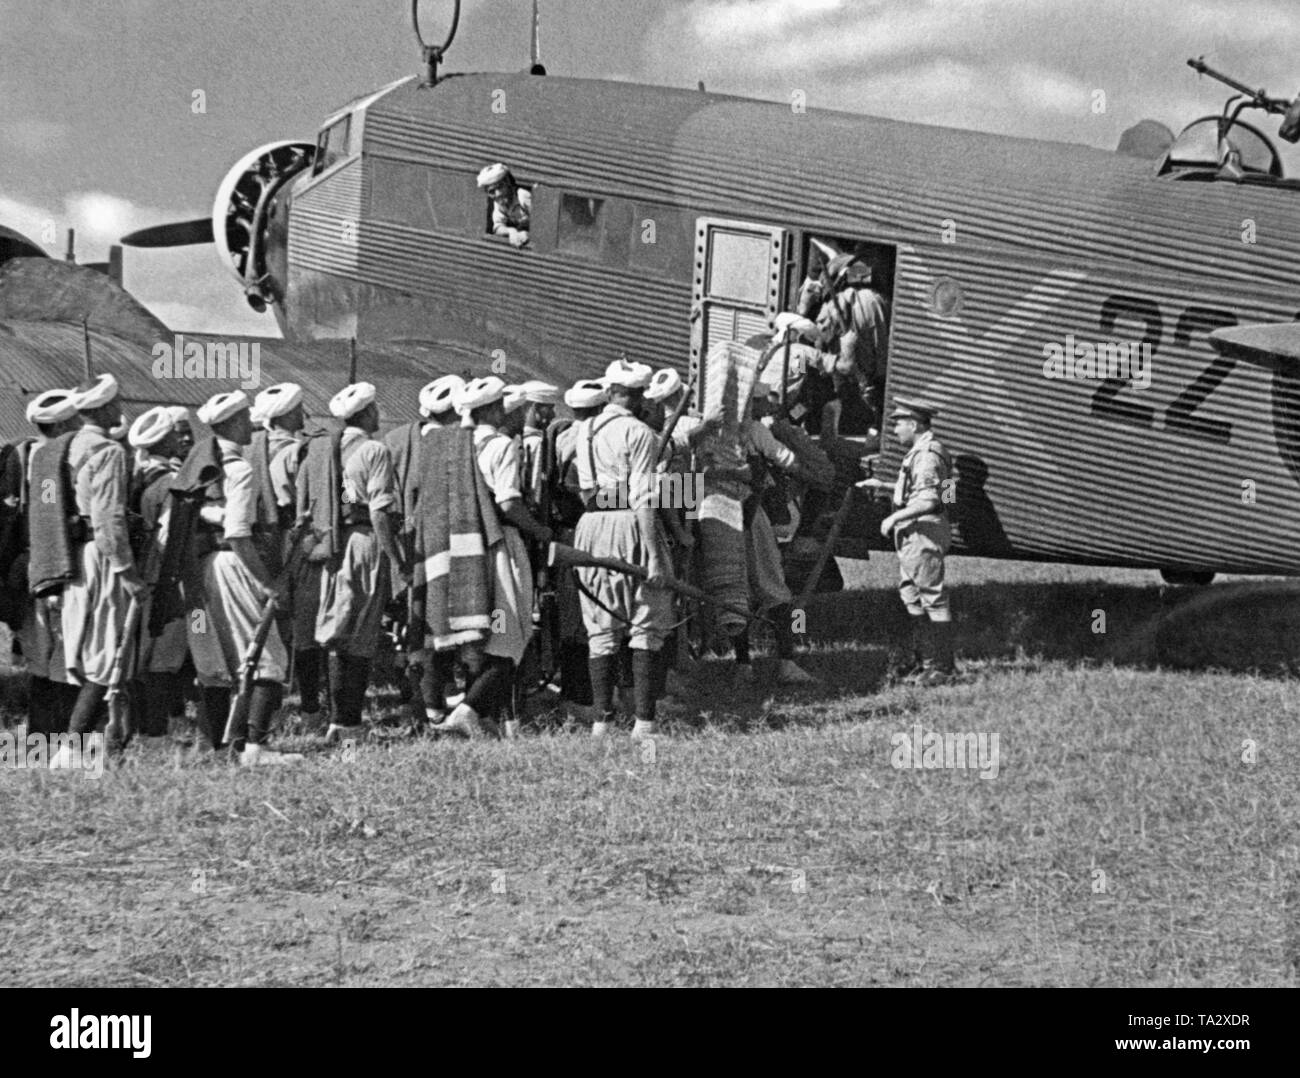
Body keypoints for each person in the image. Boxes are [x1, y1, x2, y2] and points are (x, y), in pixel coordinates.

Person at [428, 377, 551, 739]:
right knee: (508, 634)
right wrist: (541, 532)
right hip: (498, 548)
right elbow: (509, 502)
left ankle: (485, 715)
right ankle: (469, 710)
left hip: (461, 552)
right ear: (496, 409)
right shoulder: (501, 446)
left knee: (480, 632)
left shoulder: (453, 447)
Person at [184, 390, 302, 765]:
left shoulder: (203, 466)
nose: (250, 423)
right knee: (267, 656)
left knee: (217, 661)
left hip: (202, 566)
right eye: (244, 418)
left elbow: (205, 515)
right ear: (234, 423)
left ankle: (217, 744)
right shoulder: (240, 470)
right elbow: (238, 533)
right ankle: (255, 746)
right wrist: (268, 582)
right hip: (234, 563)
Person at [572, 360, 673, 740]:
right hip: (629, 522)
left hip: (590, 525)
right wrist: (655, 555)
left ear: (610, 390)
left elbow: (585, 491)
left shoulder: (583, 432)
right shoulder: (640, 432)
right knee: (646, 617)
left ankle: (603, 720)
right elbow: (644, 498)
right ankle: (644, 723)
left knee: (601, 622)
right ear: (641, 396)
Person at [50, 374, 146, 765]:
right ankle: (72, 747)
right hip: (103, 556)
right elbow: (108, 519)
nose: (120, 408)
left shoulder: (65, 446)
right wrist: (127, 571)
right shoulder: (108, 451)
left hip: (72, 553)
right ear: (105, 408)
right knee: (107, 653)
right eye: (115, 402)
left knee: (88, 648)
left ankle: (108, 740)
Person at [314, 382, 406, 743]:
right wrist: (397, 560)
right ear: (368, 413)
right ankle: (349, 722)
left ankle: (338, 719)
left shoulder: (327, 449)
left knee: (337, 631)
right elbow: (381, 513)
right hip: (365, 541)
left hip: (331, 543)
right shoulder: (374, 450)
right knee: (362, 635)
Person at [862, 398, 955, 684]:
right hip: (915, 531)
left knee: (932, 596)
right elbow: (923, 490)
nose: (895, 430)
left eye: (898, 424)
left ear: (914, 424)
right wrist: (885, 487)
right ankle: (922, 662)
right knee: (911, 595)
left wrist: (893, 518)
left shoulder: (927, 454)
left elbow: (930, 499)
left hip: (922, 531)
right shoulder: (922, 451)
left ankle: (941, 667)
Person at [248, 383, 322, 728]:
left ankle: (268, 711)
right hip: (298, 545)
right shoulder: (300, 451)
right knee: (304, 629)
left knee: (268, 628)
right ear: (290, 414)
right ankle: (310, 709)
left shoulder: (251, 450)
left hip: (261, 547)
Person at [9, 389, 81, 737]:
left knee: (41, 657)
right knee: (61, 653)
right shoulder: (48, 463)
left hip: (25, 566)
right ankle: (57, 737)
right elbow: (47, 513)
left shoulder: (19, 455)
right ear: (65, 422)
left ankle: (42, 737)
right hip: (48, 565)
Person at [402, 373, 465, 729]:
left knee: (424, 624)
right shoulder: (453, 443)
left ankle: (426, 704)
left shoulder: (409, 440)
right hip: (446, 543)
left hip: (418, 543)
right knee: (441, 626)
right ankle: (434, 705)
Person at [126, 406, 189, 740]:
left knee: (139, 658)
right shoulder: (170, 481)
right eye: (174, 436)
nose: (180, 440)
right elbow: (169, 535)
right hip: (165, 576)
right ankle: (155, 734)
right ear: (163, 441)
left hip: (139, 574)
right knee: (163, 661)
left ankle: (137, 730)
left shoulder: (137, 476)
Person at [814, 254, 889, 434]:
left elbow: (841, 367)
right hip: (821, 378)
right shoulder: (802, 354)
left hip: (823, 377)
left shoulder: (800, 351)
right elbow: (843, 366)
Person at [477, 163, 532, 248]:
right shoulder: (498, 203)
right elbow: (497, 227)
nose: (498, 193)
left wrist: (529, 234)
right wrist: (511, 231)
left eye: (500, 187)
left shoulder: (522, 196)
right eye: (492, 191)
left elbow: (544, 221)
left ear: (508, 183)